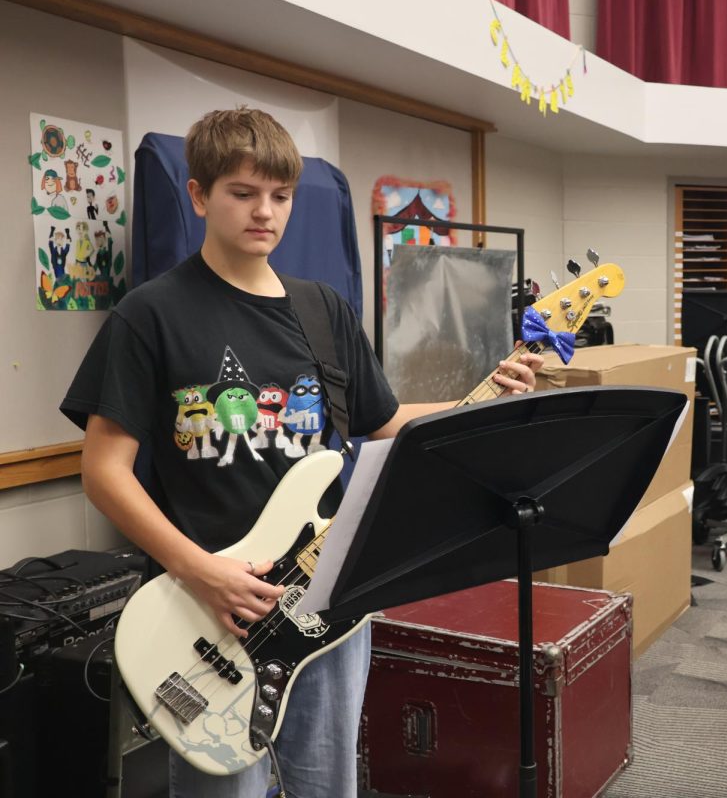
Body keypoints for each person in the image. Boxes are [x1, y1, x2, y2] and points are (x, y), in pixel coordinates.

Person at [60, 107, 542, 797]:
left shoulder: (324, 311)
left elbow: (380, 422)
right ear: (198, 196)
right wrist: (201, 572)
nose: (266, 212)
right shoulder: (152, 313)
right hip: (207, 615)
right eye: (243, 193)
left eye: (280, 196)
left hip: (328, 606)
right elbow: (104, 473)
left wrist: (486, 394)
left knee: (328, 787)